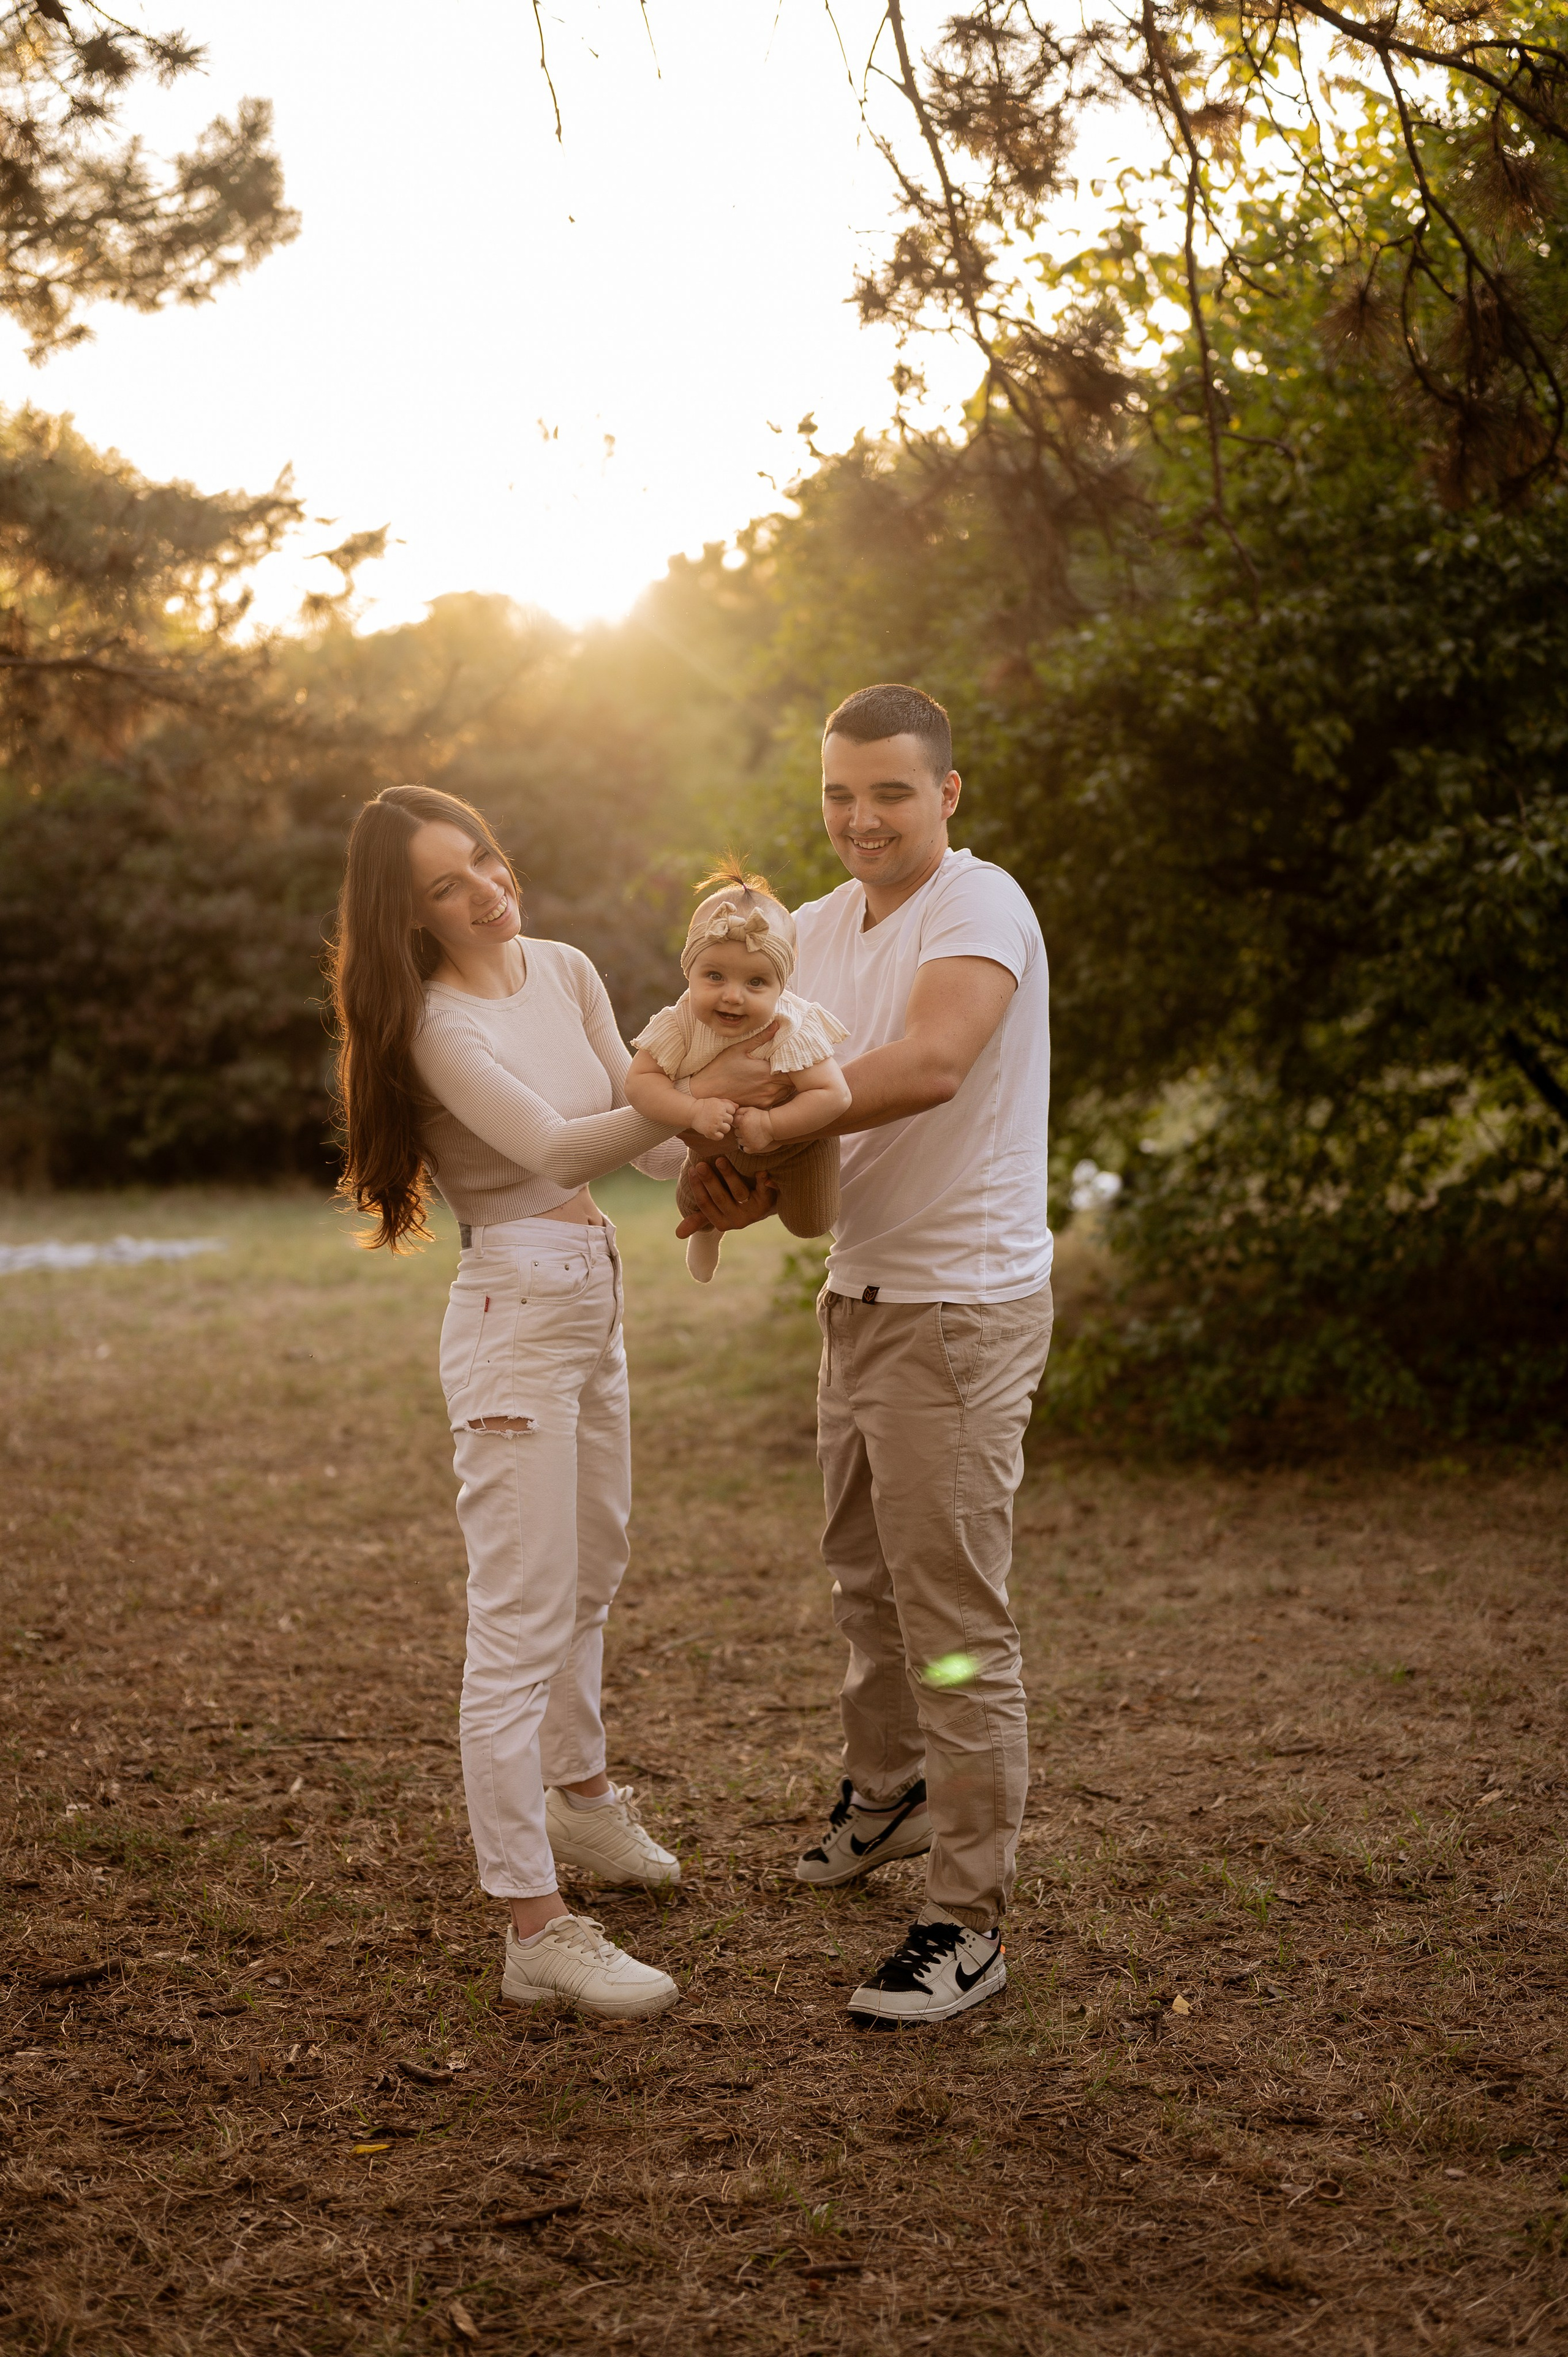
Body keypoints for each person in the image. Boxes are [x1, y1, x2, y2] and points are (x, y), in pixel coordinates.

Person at [677, 684, 1053, 2028]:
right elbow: (806, 1143)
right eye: (838, 793)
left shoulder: (978, 905)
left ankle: (965, 1920)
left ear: (945, 794)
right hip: (859, 1290)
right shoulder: (815, 934)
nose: (860, 819)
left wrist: (757, 1117)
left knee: (953, 1619)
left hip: (959, 1308)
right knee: (863, 1582)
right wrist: (727, 1167)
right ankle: (888, 1794)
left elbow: (934, 1062)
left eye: (889, 792)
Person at [330, 782, 692, 2021]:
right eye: (446, 883)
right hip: (511, 1315)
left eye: (482, 858)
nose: (486, 888)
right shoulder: (436, 1026)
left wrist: (743, 1132)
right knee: (519, 1618)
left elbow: (643, 1150)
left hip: (591, 1292)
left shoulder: (566, 968)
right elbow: (551, 1146)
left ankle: (580, 1803)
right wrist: (685, 1095)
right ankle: (533, 1926)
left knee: (593, 1567)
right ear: (410, 915)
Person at [625, 856, 850, 1283]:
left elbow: (834, 1095)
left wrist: (772, 1124)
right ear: (688, 970)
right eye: (714, 976)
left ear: (782, 986)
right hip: (715, 1143)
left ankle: (777, 1195)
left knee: (811, 1222)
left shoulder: (789, 1024)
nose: (733, 996)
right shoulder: (679, 1022)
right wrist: (692, 1111)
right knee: (693, 1204)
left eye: (755, 983)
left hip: (796, 1143)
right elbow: (639, 1083)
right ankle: (708, 1234)